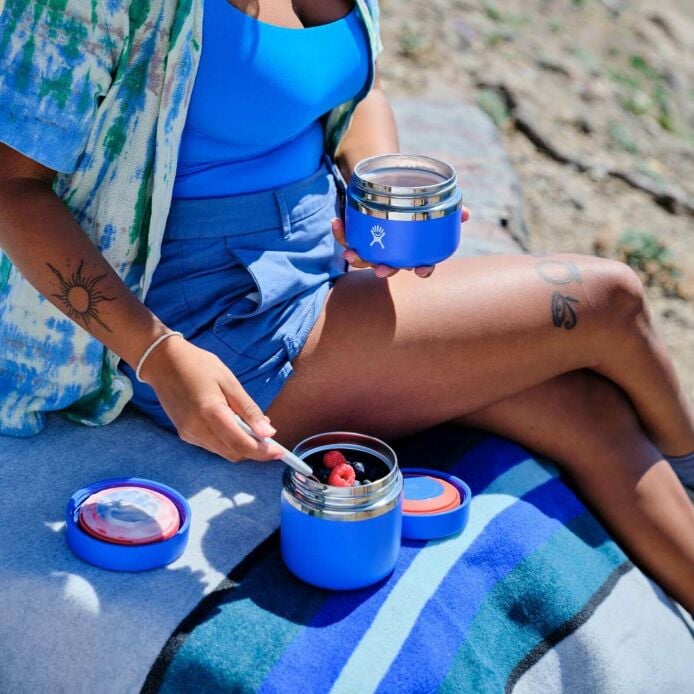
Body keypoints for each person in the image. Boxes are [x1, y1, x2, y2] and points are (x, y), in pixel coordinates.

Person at [0, 0, 692, 613]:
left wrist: (376, 189)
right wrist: (156, 353)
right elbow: (13, 189)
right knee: (607, 301)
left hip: (322, 262)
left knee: (585, 410)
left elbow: (362, 91)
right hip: (217, 319)